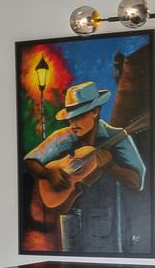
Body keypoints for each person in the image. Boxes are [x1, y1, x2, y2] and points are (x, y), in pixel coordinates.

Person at [23, 80, 146, 248]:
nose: (73, 124)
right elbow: (30, 160)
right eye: (70, 119)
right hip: (71, 222)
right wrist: (48, 173)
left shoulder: (118, 138)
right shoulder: (63, 137)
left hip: (108, 221)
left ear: (95, 111)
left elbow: (137, 183)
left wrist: (112, 166)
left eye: (79, 116)